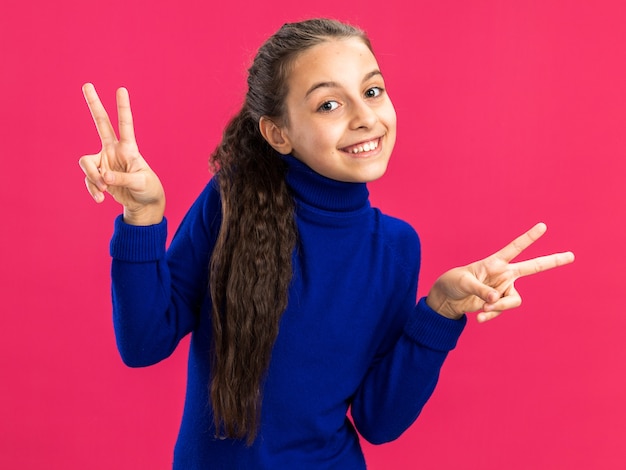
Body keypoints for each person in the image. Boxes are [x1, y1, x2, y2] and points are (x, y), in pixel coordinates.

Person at [78, 18, 574, 470]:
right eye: (329, 104)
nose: (364, 118)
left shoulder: (396, 247)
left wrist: (441, 312)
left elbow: (379, 421)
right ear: (278, 133)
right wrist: (142, 218)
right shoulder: (228, 202)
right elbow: (143, 343)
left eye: (373, 91)